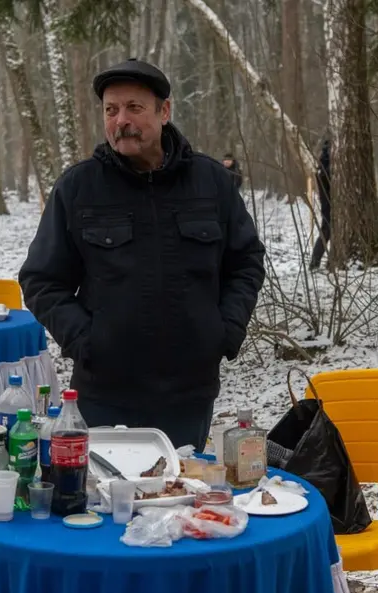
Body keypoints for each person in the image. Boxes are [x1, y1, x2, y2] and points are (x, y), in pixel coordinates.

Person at [18, 58, 266, 451]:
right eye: (111, 110)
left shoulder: (211, 182)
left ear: (164, 111)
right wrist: (87, 340)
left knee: (181, 501)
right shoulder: (78, 189)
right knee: (106, 504)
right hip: (105, 392)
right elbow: (41, 280)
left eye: (134, 108)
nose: (121, 121)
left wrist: (224, 330)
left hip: (190, 392)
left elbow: (246, 261)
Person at [309, 136, 331, 270]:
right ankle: (315, 261)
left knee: (326, 231)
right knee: (327, 231)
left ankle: (315, 261)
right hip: (328, 205)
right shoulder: (325, 168)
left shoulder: (323, 166)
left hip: (327, 204)